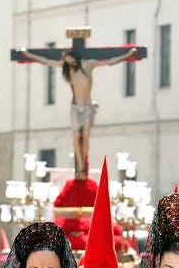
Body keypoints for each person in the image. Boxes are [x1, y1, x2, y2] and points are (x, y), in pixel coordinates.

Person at [21, 46, 138, 177]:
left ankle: (84, 164)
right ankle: (81, 165)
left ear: (74, 56)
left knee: (86, 136)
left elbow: (109, 62)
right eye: (67, 61)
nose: (70, 62)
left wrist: (127, 55)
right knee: (76, 137)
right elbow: (46, 61)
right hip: (75, 108)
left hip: (87, 107)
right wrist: (29, 55)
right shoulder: (68, 69)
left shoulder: (88, 65)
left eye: (70, 59)